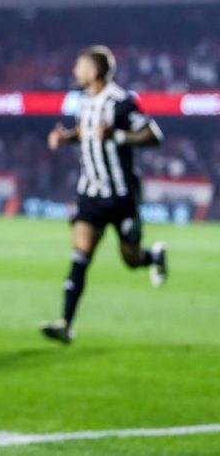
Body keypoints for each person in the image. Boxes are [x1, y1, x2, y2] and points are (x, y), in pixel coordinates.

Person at [41, 45, 167, 344]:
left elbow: (154, 135)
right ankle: (65, 324)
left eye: (80, 66)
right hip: (90, 195)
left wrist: (118, 136)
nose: (75, 71)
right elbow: (88, 135)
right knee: (80, 256)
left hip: (122, 196)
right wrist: (66, 137)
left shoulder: (122, 103)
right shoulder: (83, 102)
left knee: (131, 259)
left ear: (94, 72)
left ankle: (154, 256)